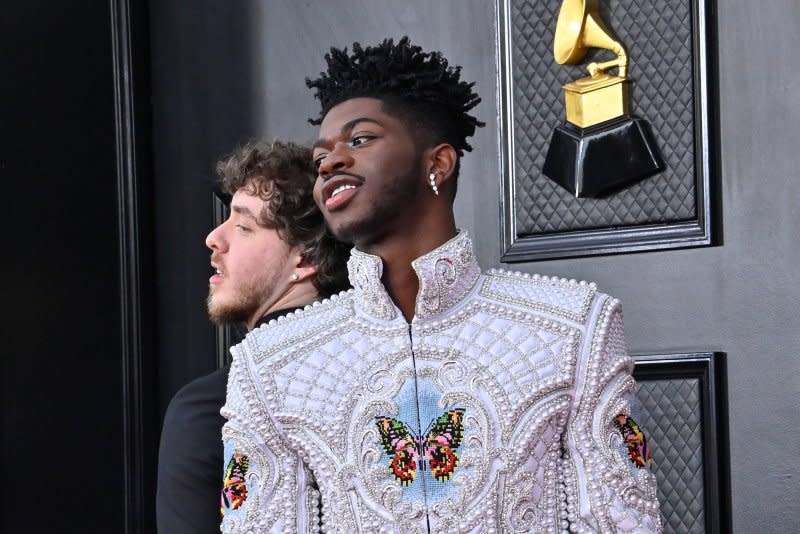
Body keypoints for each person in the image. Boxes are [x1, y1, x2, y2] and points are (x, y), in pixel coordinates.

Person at [221, 38, 662, 533]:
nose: (330, 162)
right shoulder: (271, 364)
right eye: (321, 155)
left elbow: (623, 523)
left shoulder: (572, 327)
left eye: (360, 140)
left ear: (439, 163)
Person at [156, 140, 350, 534]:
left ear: (308, 257)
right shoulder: (382, 374)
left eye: (243, 226)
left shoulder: (208, 408)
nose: (214, 238)